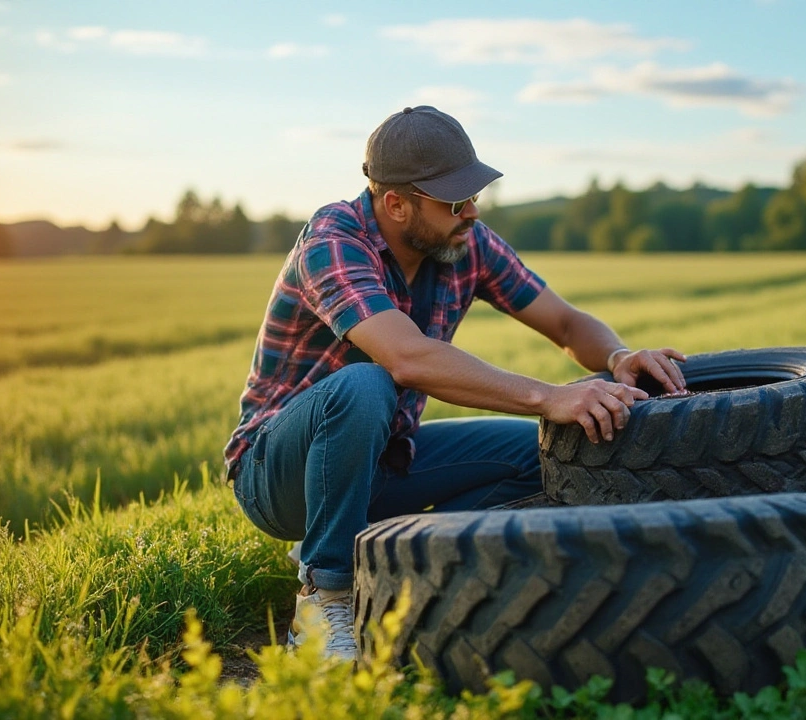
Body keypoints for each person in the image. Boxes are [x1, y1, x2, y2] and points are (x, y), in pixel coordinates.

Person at [224, 106, 687, 661]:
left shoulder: (467, 241)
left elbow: (564, 322)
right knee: (366, 384)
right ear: (395, 203)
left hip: (386, 458)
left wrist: (616, 355)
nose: (470, 211)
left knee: (547, 453)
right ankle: (326, 595)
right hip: (276, 473)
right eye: (453, 201)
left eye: (473, 194)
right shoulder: (333, 241)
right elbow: (408, 358)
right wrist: (550, 395)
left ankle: (390, 560)